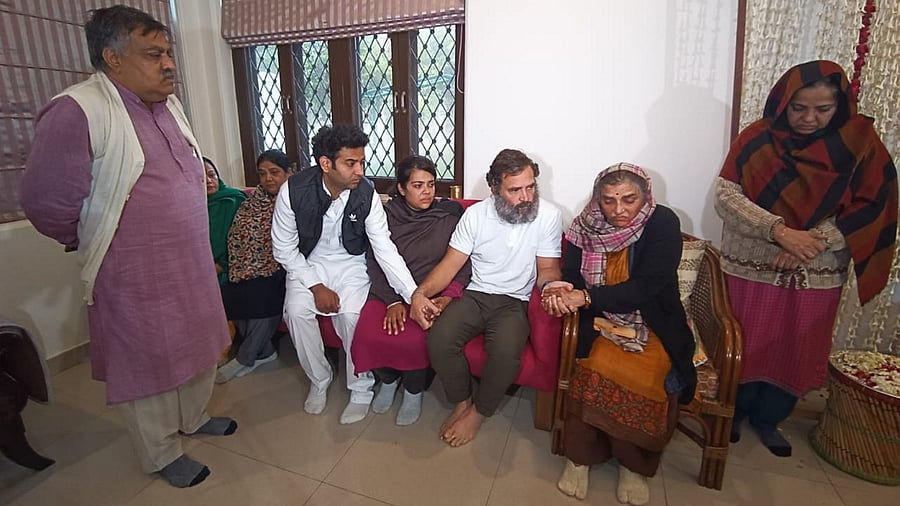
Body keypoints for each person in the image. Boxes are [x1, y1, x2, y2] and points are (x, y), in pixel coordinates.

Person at [20, 6, 237, 488]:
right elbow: (44, 201)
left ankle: (195, 418)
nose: (169, 65)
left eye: (169, 53)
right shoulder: (77, 110)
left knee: (198, 346)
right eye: (153, 54)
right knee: (149, 361)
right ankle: (161, 452)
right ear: (112, 59)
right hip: (134, 272)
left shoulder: (168, 103)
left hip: (191, 262)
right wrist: (96, 239)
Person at [715, 60, 897, 457]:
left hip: (816, 273)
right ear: (783, 103)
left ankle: (770, 420)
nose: (809, 119)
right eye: (799, 108)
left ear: (840, 107)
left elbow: (871, 205)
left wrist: (809, 243)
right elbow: (727, 197)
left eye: (822, 109)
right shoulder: (757, 138)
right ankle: (735, 413)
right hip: (752, 268)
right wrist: (780, 232)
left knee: (797, 345)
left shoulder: (861, 145)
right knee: (746, 342)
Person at [542, 163, 696, 504]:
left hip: (653, 321)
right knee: (593, 367)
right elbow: (570, 273)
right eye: (609, 200)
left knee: (649, 376)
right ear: (599, 198)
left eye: (629, 199)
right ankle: (580, 459)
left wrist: (585, 296)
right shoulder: (586, 224)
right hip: (599, 319)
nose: (619, 210)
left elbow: (650, 286)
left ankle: (633, 466)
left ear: (645, 196)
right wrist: (559, 291)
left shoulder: (663, 223)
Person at [409, 148, 563, 447]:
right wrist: (420, 293)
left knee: (505, 353)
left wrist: (552, 288)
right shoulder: (475, 215)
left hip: (514, 301)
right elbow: (450, 265)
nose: (526, 197)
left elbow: (547, 269)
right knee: (439, 339)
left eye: (531, 186)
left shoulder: (548, 216)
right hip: (476, 294)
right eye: (515, 190)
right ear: (494, 189)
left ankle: (479, 411)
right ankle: (462, 401)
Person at [271, 124, 419, 425]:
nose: (359, 170)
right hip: (307, 262)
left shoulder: (366, 192)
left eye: (362, 162)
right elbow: (283, 248)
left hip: (351, 263)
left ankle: (361, 389)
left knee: (352, 316)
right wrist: (315, 286)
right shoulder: (294, 190)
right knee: (297, 313)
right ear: (326, 164)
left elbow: (384, 248)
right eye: (350, 163)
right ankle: (319, 379)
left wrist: (412, 294)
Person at [351, 155, 471, 426]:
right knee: (368, 332)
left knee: (418, 335)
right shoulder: (384, 217)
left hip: (431, 293)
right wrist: (393, 301)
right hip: (388, 292)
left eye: (430, 184)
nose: (427, 191)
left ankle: (414, 391)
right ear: (402, 188)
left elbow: (462, 264)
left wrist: (447, 296)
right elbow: (375, 261)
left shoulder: (448, 217)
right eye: (418, 185)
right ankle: (390, 381)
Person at [216, 149, 292, 383]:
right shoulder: (252, 202)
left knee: (262, 297)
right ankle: (266, 352)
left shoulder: (296, 200)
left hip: (281, 268)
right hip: (247, 265)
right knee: (233, 293)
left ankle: (245, 358)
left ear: (289, 173)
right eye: (262, 174)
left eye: (274, 172)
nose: (268, 178)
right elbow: (238, 235)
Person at [205, 157, 246, 285]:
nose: (208, 181)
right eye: (201, 176)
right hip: (201, 272)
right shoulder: (189, 207)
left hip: (236, 268)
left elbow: (246, 237)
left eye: (212, 175)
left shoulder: (235, 199)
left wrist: (221, 265)